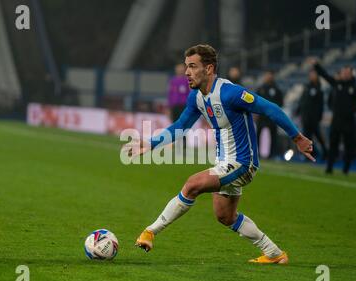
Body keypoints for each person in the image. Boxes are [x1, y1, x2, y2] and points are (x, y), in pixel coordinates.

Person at [125, 44, 314, 264]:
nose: (187, 72)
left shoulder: (230, 93)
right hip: (224, 162)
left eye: (192, 66)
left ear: (209, 68)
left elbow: (270, 108)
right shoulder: (196, 96)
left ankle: (150, 232)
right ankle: (274, 254)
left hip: (243, 163)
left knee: (192, 184)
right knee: (225, 216)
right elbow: (181, 125)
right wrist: (151, 143)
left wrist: (297, 137)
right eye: (186, 66)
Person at [309, 59, 356, 174]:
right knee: (333, 146)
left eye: (347, 73)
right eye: (343, 72)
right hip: (336, 121)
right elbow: (325, 76)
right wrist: (317, 66)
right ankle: (329, 168)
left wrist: (352, 111)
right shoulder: (337, 84)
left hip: (349, 122)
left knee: (349, 147)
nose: (344, 74)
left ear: (351, 74)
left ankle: (346, 169)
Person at [296, 69, 327, 160]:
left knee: (317, 136)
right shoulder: (307, 86)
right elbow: (302, 100)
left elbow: (320, 104)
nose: (311, 76)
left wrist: (319, 116)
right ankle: (310, 154)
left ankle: (324, 152)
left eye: (313, 74)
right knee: (307, 136)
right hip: (306, 116)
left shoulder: (319, 88)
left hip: (314, 117)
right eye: (311, 74)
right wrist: (298, 110)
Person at [256, 71, 284, 158]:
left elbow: (280, 102)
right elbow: (255, 101)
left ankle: (272, 154)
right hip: (261, 115)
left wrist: (275, 111)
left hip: (272, 116)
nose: (268, 77)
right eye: (267, 75)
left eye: (270, 75)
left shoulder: (276, 89)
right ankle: (257, 153)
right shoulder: (260, 88)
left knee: (273, 135)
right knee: (258, 135)